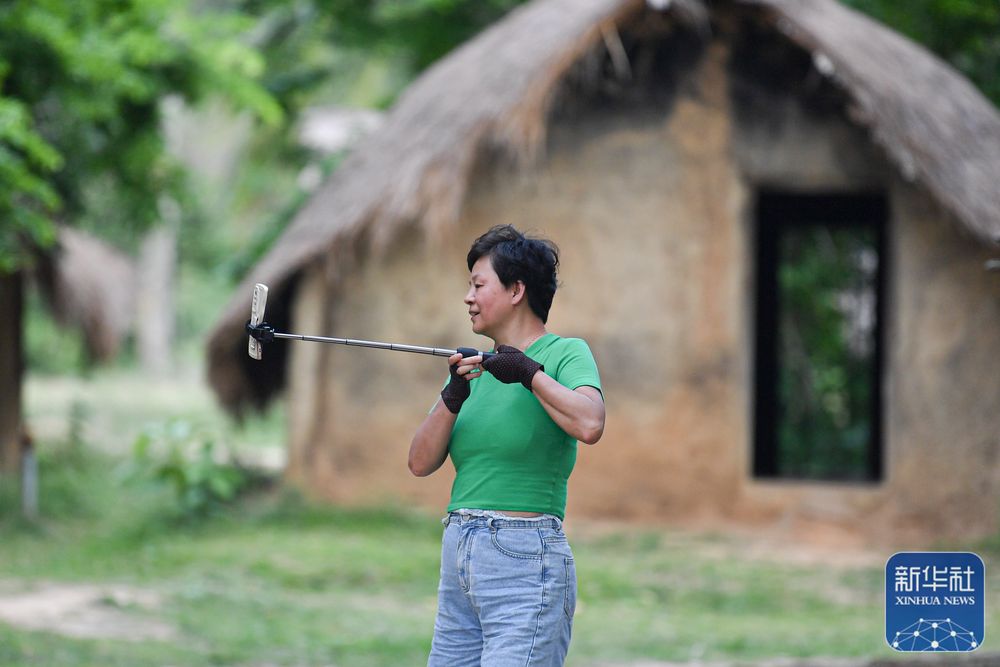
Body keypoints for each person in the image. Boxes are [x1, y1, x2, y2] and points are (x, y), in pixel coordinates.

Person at [408, 224, 605, 666]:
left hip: (525, 559)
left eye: (479, 285)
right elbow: (420, 463)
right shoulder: (473, 371)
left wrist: (529, 374)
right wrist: (451, 398)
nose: (468, 297)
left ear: (516, 290)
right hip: (460, 555)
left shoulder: (565, 354)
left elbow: (590, 423)